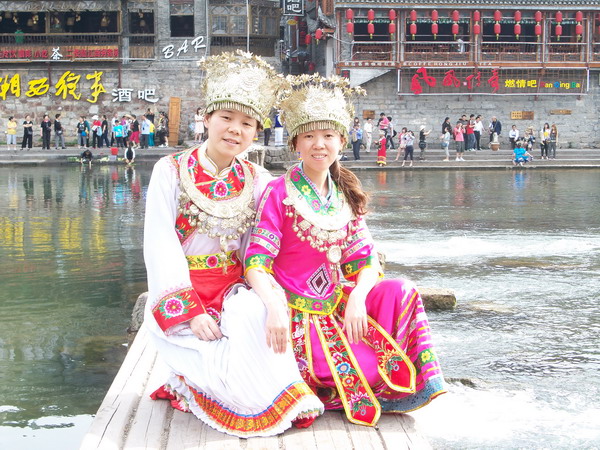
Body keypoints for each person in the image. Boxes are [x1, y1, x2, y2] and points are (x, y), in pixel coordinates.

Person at [244, 74, 446, 427]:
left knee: (401, 289)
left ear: (341, 140)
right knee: (369, 368)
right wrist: (274, 307)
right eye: (309, 136)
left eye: (327, 135)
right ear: (296, 143)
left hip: (339, 302)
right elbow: (256, 262)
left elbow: (365, 261)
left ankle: (417, 384)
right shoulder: (279, 192)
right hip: (295, 311)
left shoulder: (344, 195)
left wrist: (358, 299)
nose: (318, 144)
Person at [143, 51, 322, 437]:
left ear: (255, 132)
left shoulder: (258, 179)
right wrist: (191, 313)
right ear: (206, 118)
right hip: (186, 294)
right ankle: (193, 381)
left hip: (235, 289)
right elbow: (160, 245)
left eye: (246, 123)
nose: (234, 130)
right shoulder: (169, 171)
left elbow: (270, 244)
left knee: (257, 318)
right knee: (231, 378)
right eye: (226, 118)